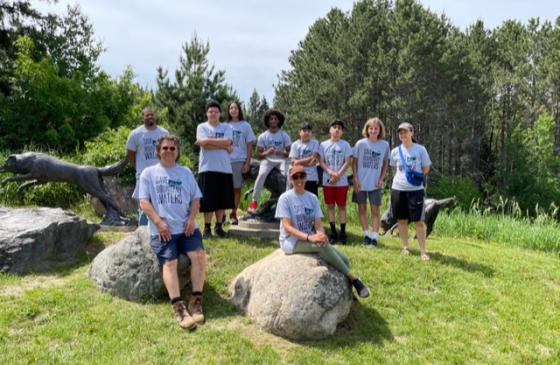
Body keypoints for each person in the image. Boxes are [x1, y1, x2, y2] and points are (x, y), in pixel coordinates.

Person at [139, 135, 206, 330]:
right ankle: (178, 306)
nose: (169, 151)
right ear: (159, 151)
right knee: (171, 262)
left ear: (177, 152)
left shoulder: (185, 172)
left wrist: (192, 219)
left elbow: (195, 200)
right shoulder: (148, 174)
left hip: (186, 228)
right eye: (165, 148)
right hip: (163, 231)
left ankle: (196, 300)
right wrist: (159, 223)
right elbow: (144, 201)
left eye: (173, 148)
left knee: (199, 256)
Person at [275, 165, 370, 298]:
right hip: (291, 241)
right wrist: (310, 238)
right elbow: (287, 228)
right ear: (290, 179)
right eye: (295, 177)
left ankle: (348, 293)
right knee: (321, 248)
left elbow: (318, 224)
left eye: (302, 176)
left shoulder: (312, 198)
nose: (299, 180)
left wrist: (321, 235)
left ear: (306, 178)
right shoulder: (285, 198)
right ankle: (355, 280)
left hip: (310, 237)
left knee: (345, 259)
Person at [389, 122, 432, 261]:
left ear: (412, 133)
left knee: (419, 221)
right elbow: (394, 170)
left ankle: (423, 251)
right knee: (401, 220)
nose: (403, 135)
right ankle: (405, 247)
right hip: (398, 189)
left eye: (405, 132)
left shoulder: (420, 149)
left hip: (415, 191)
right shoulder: (395, 151)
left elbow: (426, 169)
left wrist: (414, 177)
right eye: (400, 132)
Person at [196, 100, 236, 238]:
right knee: (208, 201)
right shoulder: (202, 127)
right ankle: (207, 228)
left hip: (224, 169)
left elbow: (227, 142)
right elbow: (203, 144)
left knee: (221, 200)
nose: (213, 113)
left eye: (216, 111)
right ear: (206, 113)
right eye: (210, 111)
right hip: (207, 168)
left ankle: (219, 227)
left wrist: (209, 141)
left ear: (220, 114)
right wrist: (224, 146)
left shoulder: (226, 127)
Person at [126, 107, 168, 225]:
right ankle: (143, 231)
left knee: (161, 204)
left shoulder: (164, 133)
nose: (150, 117)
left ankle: (161, 230)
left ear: (155, 116)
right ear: (143, 117)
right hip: (143, 174)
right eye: (147, 115)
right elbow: (131, 154)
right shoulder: (135, 134)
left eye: (152, 114)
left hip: (161, 174)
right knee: (144, 204)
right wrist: (138, 168)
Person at [352, 118, 390, 248]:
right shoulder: (360, 143)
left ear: (380, 130)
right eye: (371, 128)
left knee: (375, 210)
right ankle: (366, 235)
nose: (373, 131)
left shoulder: (384, 145)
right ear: (367, 130)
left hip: (375, 184)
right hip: (360, 183)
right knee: (361, 209)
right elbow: (354, 162)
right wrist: (355, 179)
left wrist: (381, 178)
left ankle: (374, 237)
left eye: (376, 128)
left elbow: (385, 163)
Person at [248, 109, 291, 214]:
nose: (273, 121)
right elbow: (259, 155)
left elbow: (290, 152)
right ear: (267, 121)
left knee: (287, 176)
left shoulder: (284, 135)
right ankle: (254, 202)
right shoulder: (263, 136)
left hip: (282, 160)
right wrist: (267, 152)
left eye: (275, 119)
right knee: (261, 174)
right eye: (271, 119)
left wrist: (281, 152)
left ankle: (288, 204)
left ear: (279, 121)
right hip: (267, 160)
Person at [319, 119, 353, 244]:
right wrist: (331, 173)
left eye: (339, 128)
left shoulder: (345, 145)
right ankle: (333, 232)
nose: (337, 129)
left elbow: (347, 161)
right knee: (330, 206)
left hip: (342, 182)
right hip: (328, 181)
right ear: (330, 130)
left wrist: (338, 174)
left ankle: (343, 232)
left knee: (342, 206)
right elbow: (321, 162)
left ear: (342, 132)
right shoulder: (323, 145)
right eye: (334, 127)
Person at [226, 101, 256, 225]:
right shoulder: (224, 125)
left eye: (236, 108)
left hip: (239, 160)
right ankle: (222, 215)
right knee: (225, 189)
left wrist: (247, 163)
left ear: (239, 110)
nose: (233, 110)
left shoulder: (245, 125)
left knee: (236, 188)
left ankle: (234, 213)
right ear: (228, 111)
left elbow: (250, 145)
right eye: (231, 108)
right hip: (225, 161)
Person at [289, 122, 321, 196]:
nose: (307, 133)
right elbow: (293, 162)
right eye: (304, 130)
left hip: (311, 178)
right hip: (297, 177)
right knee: (297, 200)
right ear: (299, 132)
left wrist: (298, 162)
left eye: (309, 131)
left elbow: (313, 159)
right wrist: (308, 161)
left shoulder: (315, 143)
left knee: (312, 201)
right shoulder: (295, 144)